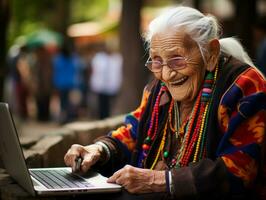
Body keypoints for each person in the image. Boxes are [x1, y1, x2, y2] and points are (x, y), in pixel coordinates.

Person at [64, 6, 266, 199]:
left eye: (178, 59)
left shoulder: (245, 86)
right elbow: (135, 130)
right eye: (156, 60)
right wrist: (98, 150)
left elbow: (240, 170)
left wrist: (160, 180)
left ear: (211, 53)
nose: (167, 74)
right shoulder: (159, 88)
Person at [89, 45, 122, 119]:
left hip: (111, 86)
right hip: (101, 86)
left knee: (110, 105)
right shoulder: (99, 58)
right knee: (102, 104)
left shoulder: (116, 59)